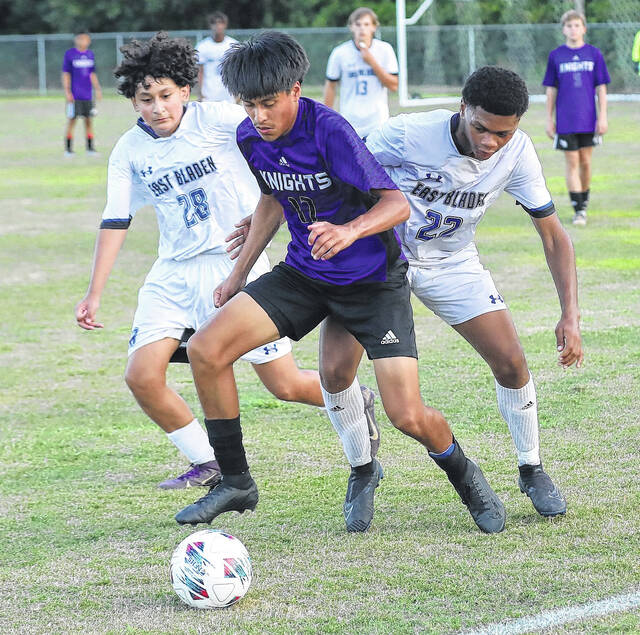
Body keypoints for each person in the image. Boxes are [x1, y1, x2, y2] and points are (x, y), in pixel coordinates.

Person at [175, 31, 506, 535]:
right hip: (307, 272)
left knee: (407, 414)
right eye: (248, 105)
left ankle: (466, 475)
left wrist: (349, 230)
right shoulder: (250, 136)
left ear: (295, 89)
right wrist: (237, 275)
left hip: (373, 280)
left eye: (268, 103)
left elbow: (395, 203)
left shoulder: (329, 129)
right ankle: (238, 480)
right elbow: (272, 199)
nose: (258, 116)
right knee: (205, 349)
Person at [73, 32, 379, 496]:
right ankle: (210, 462)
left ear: (185, 90)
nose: (158, 108)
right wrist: (94, 293)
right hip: (172, 273)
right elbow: (115, 219)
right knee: (141, 376)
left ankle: (355, 400)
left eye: (166, 96)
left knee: (285, 385)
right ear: (133, 101)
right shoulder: (129, 152)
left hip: (234, 261)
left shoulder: (220, 120)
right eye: (145, 99)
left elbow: (281, 134)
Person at [362, 65, 583, 518]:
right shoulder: (406, 133)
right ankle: (361, 468)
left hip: (453, 262)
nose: (490, 143)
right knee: (336, 371)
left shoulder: (517, 151)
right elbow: (337, 173)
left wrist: (570, 315)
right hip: (381, 262)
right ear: (463, 108)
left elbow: (554, 236)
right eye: (481, 128)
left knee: (511, 361)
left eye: (503, 133)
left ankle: (531, 468)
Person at [543, 10, 610, 226]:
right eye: (569, 25)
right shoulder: (556, 56)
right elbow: (551, 90)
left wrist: (603, 117)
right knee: (571, 162)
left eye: (577, 25)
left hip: (588, 119)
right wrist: (548, 118)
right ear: (564, 29)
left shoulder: (594, 54)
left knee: (586, 162)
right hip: (566, 120)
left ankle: (584, 203)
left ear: (584, 28)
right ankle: (578, 210)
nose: (573, 29)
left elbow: (601, 88)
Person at [323, 7, 398, 139]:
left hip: (378, 123)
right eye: (358, 24)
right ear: (351, 27)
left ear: (374, 27)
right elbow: (330, 86)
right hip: (350, 122)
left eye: (366, 24)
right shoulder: (340, 53)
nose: (362, 28)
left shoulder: (385, 49)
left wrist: (372, 62)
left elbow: (393, 86)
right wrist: (325, 118)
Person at [62, 30, 102, 157]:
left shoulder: (90, 54)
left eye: (86, 39)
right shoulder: (70, 54)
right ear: (76, 40)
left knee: (89, 120)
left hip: (87, 95)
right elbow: (66, 74)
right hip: (75, 94)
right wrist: (67, 91)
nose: (83, 41)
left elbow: (92, 74)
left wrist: (97, 89)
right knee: (72, 120)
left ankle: (90, 148)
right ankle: (68, 149)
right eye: (81, 39)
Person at [196, 12, 237, 103]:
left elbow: (238, 71)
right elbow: (200, 72)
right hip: (209, 96)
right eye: (214, 23)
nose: (218, 26)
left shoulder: (233, 45)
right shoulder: (202, 46)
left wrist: (238, 93)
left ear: (225, 25)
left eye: (221, 23)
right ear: (210, 26)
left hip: (228, 95)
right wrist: (200, 93)